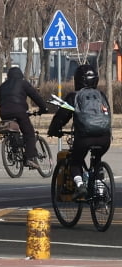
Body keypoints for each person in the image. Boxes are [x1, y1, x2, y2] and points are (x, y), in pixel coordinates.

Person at [48, 64, 111, 199]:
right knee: (97, 160)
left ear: (78, 80)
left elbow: (61, 116)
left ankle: (80, 186)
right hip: (104, 138)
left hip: (84, 138)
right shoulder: (101, 95)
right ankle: (100, 192)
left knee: (75, 161)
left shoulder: (74, 96)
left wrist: (53, 130)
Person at [0, 67, 48, 169]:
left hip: (4, 112)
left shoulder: (3, 86)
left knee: (13, 129)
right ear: (20, 75)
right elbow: (35, 96)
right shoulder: (23, 83)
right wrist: (44, 108)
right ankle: (29, 158)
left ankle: (14, 148)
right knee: (29, 133)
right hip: (19, 111)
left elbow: (0, 100)